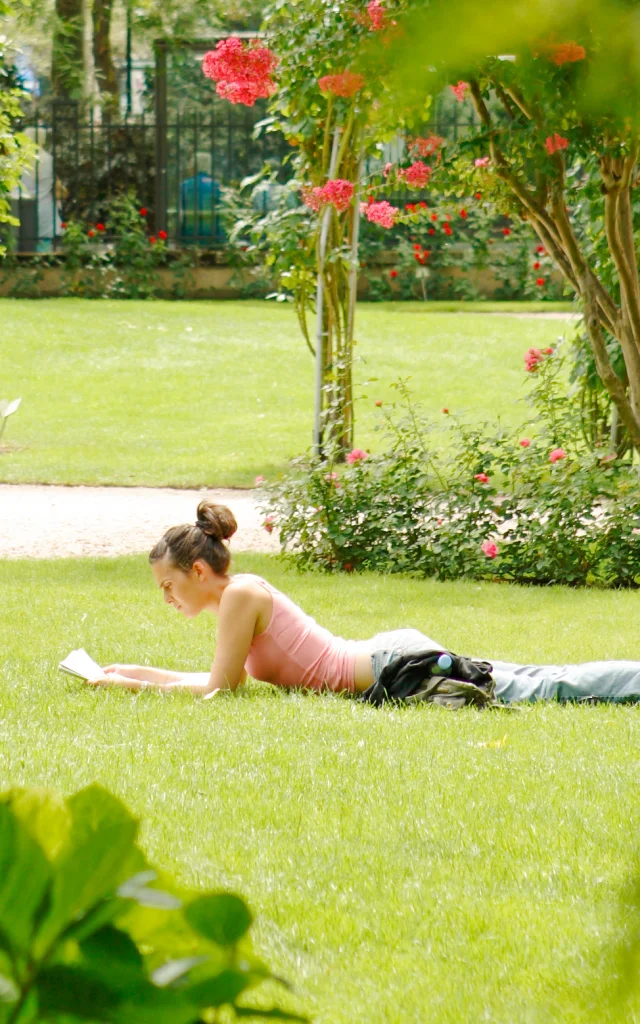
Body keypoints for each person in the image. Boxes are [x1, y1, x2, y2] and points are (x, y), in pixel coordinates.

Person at [92, 502, 640, 705]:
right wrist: (140, 672)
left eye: (168, 585)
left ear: (198, 571)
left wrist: (134, 685)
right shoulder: (240, 594)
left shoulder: (240, 596)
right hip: (390, 660)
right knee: (537, 679)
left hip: (397, 669)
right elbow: (220, 679)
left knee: (543, 687)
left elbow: (219, 690)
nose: (166, 598)